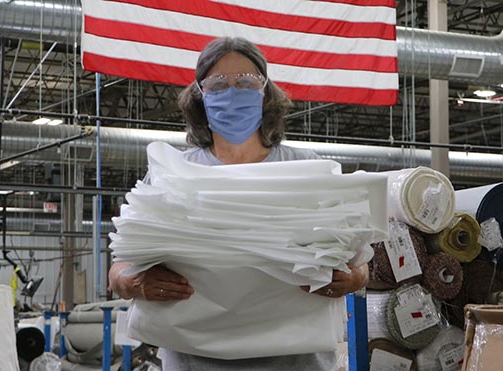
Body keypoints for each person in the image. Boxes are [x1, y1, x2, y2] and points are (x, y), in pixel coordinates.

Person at [109, 36, 369, 371]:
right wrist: (134, 283)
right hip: (195, 359)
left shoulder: (306, 170)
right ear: (200, 97)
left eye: (247, 82)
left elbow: (360, 258)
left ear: (265, 93)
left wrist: (354, 279)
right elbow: (120, 268)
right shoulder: (171, 174)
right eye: (218, 84)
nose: (233, 93)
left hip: (296, 360)